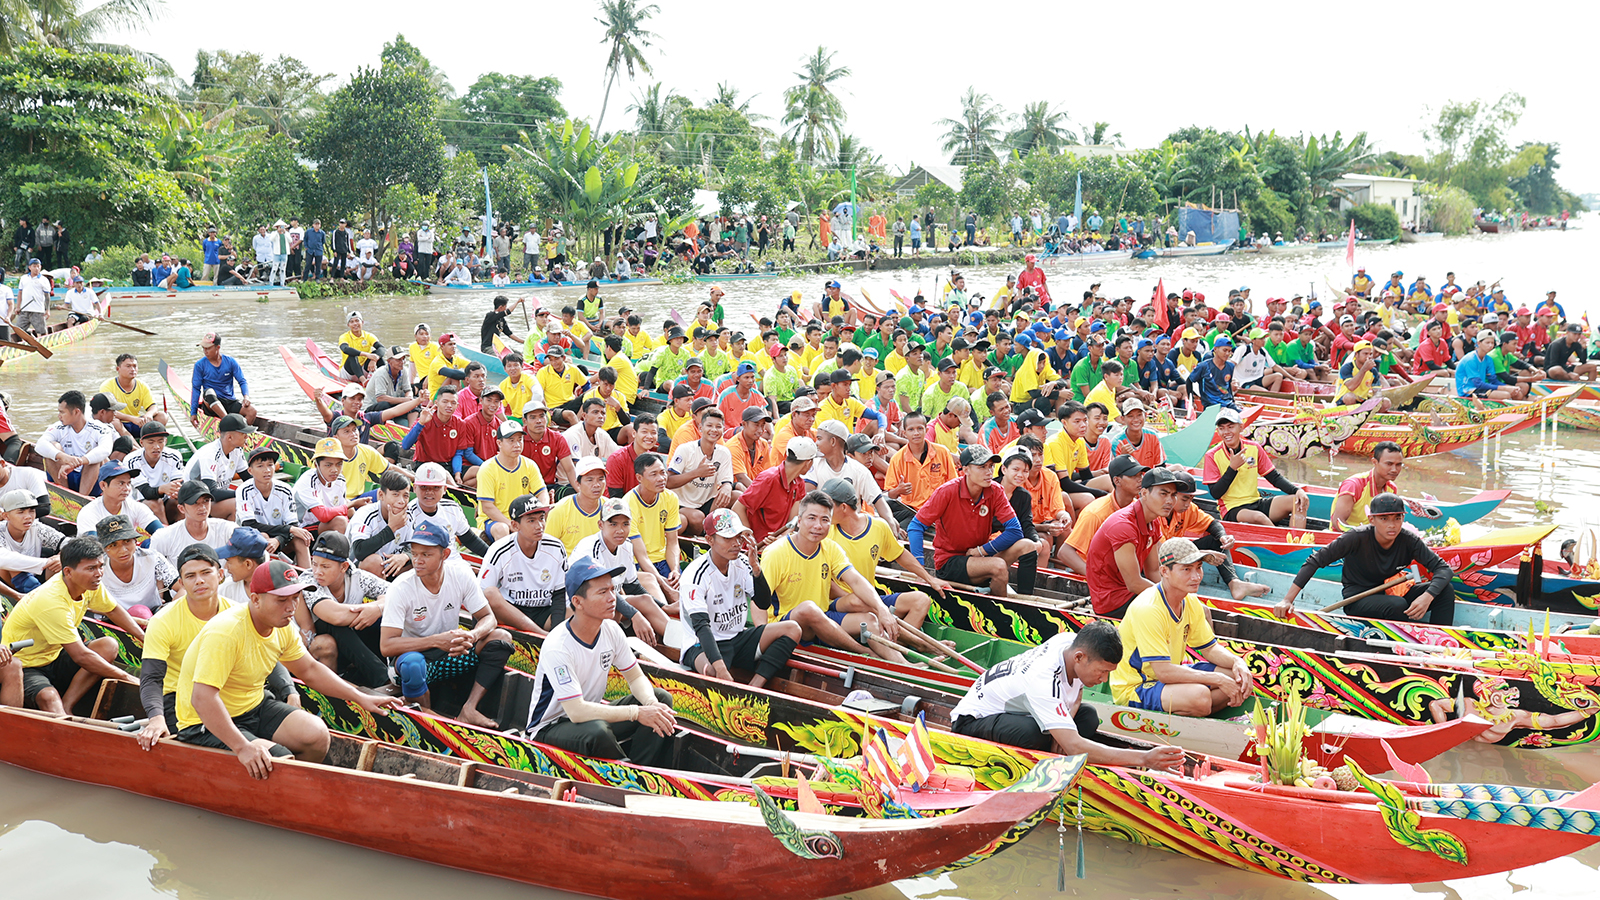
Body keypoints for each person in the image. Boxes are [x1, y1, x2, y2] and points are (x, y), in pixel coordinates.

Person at [173, 557, 401, 778]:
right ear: (256, 599)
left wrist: (360, 697)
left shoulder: (282, 627)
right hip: (202, 722)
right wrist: (243, 747)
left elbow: (310, 670)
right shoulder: (226, 632)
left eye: (295, 598)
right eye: (282, 600)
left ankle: (293, 788)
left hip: (252, 706)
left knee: (317, 735)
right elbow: (202, 699)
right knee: (279, 761)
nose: (291, 607)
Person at [950, 620, 1183, 769]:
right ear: (1079, 657)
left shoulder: (1070, 643)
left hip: (1020, 710)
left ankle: (1061, 744)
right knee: (1033, 734)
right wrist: (1144, 758)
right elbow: (1073, 745)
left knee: (1088, 716)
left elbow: (1076, 694)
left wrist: (1063, 731)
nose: (1104, 680)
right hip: (972, 720)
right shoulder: (1042, 680)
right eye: (1102, 671)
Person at [523, 557, 676, 764]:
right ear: (577, 602)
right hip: (550, 728)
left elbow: (635, 677)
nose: (612, 598)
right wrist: (637, 712)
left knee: (661, 698)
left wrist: (651, 705)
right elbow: (576, 711)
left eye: (612, 590)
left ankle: (643, 768)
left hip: (589, 717)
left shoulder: (611, 629)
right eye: (602, 592)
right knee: (598, 731)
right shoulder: (558, 646)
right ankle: (626, 773)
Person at [379, 521, 513, 728]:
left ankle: (469, 709)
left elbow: (489, 618)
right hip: (414, 659)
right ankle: (428, 719)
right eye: (414, 554)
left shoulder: (461, 575)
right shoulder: (400, 587)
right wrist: (435, 641)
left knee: (502, 638)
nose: (417, 560)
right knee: (413, 665)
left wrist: (473, 635)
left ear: (445, 554)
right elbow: (387, 646)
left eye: (426, 554)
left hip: (451, 652)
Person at [755, 490, 908, 663]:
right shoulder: (776, 553)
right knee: (808, 609)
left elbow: (856, 580)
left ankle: (905, 666)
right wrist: (761, 638)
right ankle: (864, 652)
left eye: (825, 520)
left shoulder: (830, 547)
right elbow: (758, 600)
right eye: (811, 518)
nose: (818, 526)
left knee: (869, 619)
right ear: (799, 521)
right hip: (786, 624)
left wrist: (882, 610)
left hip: (821, 617)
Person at [1, 535, 144, 713]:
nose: (99, 573)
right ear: (68, 572)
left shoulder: (90, 584)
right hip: (27, 664)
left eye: (101, 566)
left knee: (108, 645)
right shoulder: (51, 601)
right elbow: (81, 656)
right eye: (91, 568)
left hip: (54, 655)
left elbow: (113, 610)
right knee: (50, 698)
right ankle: (61, 713)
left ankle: (68, 705)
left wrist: (144, 638)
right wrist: (129, 678)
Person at [1110, 538, 1252, 714]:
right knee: (1200, 696)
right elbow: (1163, 672)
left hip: (1168, 679)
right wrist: (1217, 679)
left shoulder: (1190, 601)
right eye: (1186, 569)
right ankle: (1198, 707)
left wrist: (1238, 662)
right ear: (1165, 571)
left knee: (1238, 676)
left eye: (1198, 568)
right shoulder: (1149, 608)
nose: (1196, 576)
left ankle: (1198, 708)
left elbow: (1209, 648)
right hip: (1137, 686)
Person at [1274, 494, 1456, 624]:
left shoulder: (1409, 540)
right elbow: (1314, 561)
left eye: (1397, 518)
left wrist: (1427, 597)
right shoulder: (1356, 538)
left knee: (1445, 590)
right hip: (1357, 599)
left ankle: (1441, 638)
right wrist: (1287, 600)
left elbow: (1444, 569)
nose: (1392, 525)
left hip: (1387, 594)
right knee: (1398, 605)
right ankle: (1402, 643)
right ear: (1371, 520)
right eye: (1384, 519)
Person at [136, 543, 245, 748]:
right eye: (191, 576)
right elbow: (151, 678)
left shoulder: (239, 614)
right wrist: (156, 718)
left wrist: (289, 692)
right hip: (179, 698)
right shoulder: (163, 621)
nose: (199, 581)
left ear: (220, 575)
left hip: (227, 693)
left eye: (206, 573)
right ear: (182, 583)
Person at [681, 509, 801, 690]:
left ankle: (755, 686)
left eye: (738, 537)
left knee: (793, 629)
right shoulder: (696, 574)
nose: (736, 544)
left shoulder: (743, 563)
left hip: (737, 637)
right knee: (713, 671)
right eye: (728, 538)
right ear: (710, 540)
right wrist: (721, 670)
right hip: (702, 644)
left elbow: (763, 603)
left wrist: (756, 570)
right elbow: (701, 627)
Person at [823, 478, 950, 635]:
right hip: (840, 602)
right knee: (857, 602)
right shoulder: (825, 534)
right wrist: (858, 600)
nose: (824, 512)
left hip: (870, 599)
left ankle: (895, 641)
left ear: (843, 507)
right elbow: (826, 581)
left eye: (828, 507)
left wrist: (929, 579)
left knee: (921, 600)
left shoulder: (878, 526)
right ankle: (915, 642)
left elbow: (900, 554)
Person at [909, 446, 1035, 597]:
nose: (989, 472)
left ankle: (1026, 599)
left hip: (979, 556)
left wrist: (981, 551)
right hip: (950, 561)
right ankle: (1000, 608)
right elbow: (916, 526)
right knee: (999, 566)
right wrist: (920, 569)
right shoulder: (947, 491)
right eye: (982, 467)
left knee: (1028, 545)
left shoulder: (996, 490)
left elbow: (1015, 531)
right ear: (966, 470)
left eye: (991, 466)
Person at [294, 532, 389, 688]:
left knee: (378, 621)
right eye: (315, 564)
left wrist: (378, 608)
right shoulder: (308, 580)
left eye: (325, 566)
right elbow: (334, 615)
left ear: (344, 567)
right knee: (334, 624)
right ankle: (384, 680)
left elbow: (396, 593)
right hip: (313, 646)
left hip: (350, 646)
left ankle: (387, 674)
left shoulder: (358, 577)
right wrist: (373, 609)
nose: (317, 571)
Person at [478, 494, 571, 636]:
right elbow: (482, 593)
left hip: (544, 611)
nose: (539, 526)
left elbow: (560, 593)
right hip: (510, 610)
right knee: (490, 593)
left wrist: (555, 631)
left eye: (542, 518)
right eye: (531, 521)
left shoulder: (556, 547)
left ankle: (549, 636)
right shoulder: (500, 549)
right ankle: (541, 635)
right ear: (515, 525)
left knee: (580, 608)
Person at [1201, 407, 1308, 526]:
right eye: (1222, 428)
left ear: (1241, 427)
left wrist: (1297, 491)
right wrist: (1232, 469)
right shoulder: (1212, 455)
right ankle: (1281, 537)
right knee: (1259, 517)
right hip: (1232, 508)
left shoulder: (1254, 448)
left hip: (1255, 502)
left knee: (1299, 501)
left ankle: (1298, 537)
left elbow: (1274, 477)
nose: (1226, 432)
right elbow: (1215, 493)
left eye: (1230, 427)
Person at [732, 437, 818, 545]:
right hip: (755, 547)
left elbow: (792, 521)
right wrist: (752, 542)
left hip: (778, 546)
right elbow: (737, 508)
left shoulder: (799, 483)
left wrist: (782, 539)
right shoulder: (769, 478)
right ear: (808, 463)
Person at [475, 420, 548, 543]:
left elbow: (542, 492)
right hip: (493, 520)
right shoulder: (488, 468)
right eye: (511, 440)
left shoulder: (529, 465)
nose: (517, 444)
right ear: (499, 443)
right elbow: (487, 507)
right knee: (502, 529)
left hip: (522, 518)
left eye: (520, 439)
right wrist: (511, 524)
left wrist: (540, 513)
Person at [667, 408, 737, 536]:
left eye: (718, 427)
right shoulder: (686, 449)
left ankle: (731, 534)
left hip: (707, 502)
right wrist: (697, 473)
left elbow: (726, 480)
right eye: (709, 425)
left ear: (723, 429)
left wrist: (727, 487)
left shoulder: (724, 452)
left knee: (737, 496)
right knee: (697, 518)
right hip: (682, 503)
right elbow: (668, 482)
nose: (714, 430)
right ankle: (704, 535)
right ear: (700, 428)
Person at [881, 411, 957, 527]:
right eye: (911, 429)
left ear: (926, 430)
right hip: (911, 510)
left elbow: (953, 485)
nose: (916, 433)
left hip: (939, 510)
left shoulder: (942, 452)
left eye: (920, 428)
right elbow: (891, 494)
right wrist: (898, 490)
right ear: (904, 433)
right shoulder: (897, 459)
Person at [36, 390, 114, 492]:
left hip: (90, 479)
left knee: (95, 457)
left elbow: (106, 449)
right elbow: (40, 445)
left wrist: (79, 462)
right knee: (52, 447)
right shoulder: (58, 427)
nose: (59, 416)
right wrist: (64, 457)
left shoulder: (100, 428)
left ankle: (82, 497)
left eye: (62, 412)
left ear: (77, 412)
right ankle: (65, 493)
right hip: (64, 475)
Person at [148, 480, 235, 565]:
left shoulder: (227, 529)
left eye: (206, 501)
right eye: (195, 503)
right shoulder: (164, 537)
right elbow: (152, 568)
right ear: (181, 508)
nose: (202, 507)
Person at [0, 488, 65, 597]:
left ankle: (54, 596)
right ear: (6, 516)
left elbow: (68, 543)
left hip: (35, 577)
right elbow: (4, 559)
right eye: (21, 512)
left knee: (62, 560)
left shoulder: (37, 528)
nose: (28, 516)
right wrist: (45, 562)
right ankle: (40, 598)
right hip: (7, 586)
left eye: (32, 511)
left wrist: (60, 557)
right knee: (12, 564)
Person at [1332, 442, 1403, 532]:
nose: (1394, 470)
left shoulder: (1392, 489)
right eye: (1389, 464)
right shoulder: (1353, 485)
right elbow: (1338, 523)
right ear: (1374, 462)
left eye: (1398, 465)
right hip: (1345, 537)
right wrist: (1360, 535)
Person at [190, 333, 256, 425]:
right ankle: (228, 421)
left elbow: (242, 381)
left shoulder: (230, 362)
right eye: (203, 348)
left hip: (228, 401)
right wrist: (193, 412)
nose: (205, 351)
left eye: (208, 348)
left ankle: (239, 432)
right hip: (211, 403)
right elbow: (196, 389)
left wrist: (246, 397)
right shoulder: (199, 365)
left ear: (217, 347)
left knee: (252, 412)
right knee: (209, 392)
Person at [336, 312, 383, 380]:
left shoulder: (369, 336)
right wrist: (366, 354)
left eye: (357, 320)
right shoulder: (344, 337)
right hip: (349, 372)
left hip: (363, 370)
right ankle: (363, 381)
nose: (355, 324)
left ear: (362, 322)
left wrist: (375, 359)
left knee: (377, 354)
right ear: (348, 325)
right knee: (352, 356)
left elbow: (382, 348)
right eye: (352, 322)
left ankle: (387, 379)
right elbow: (345, 349)